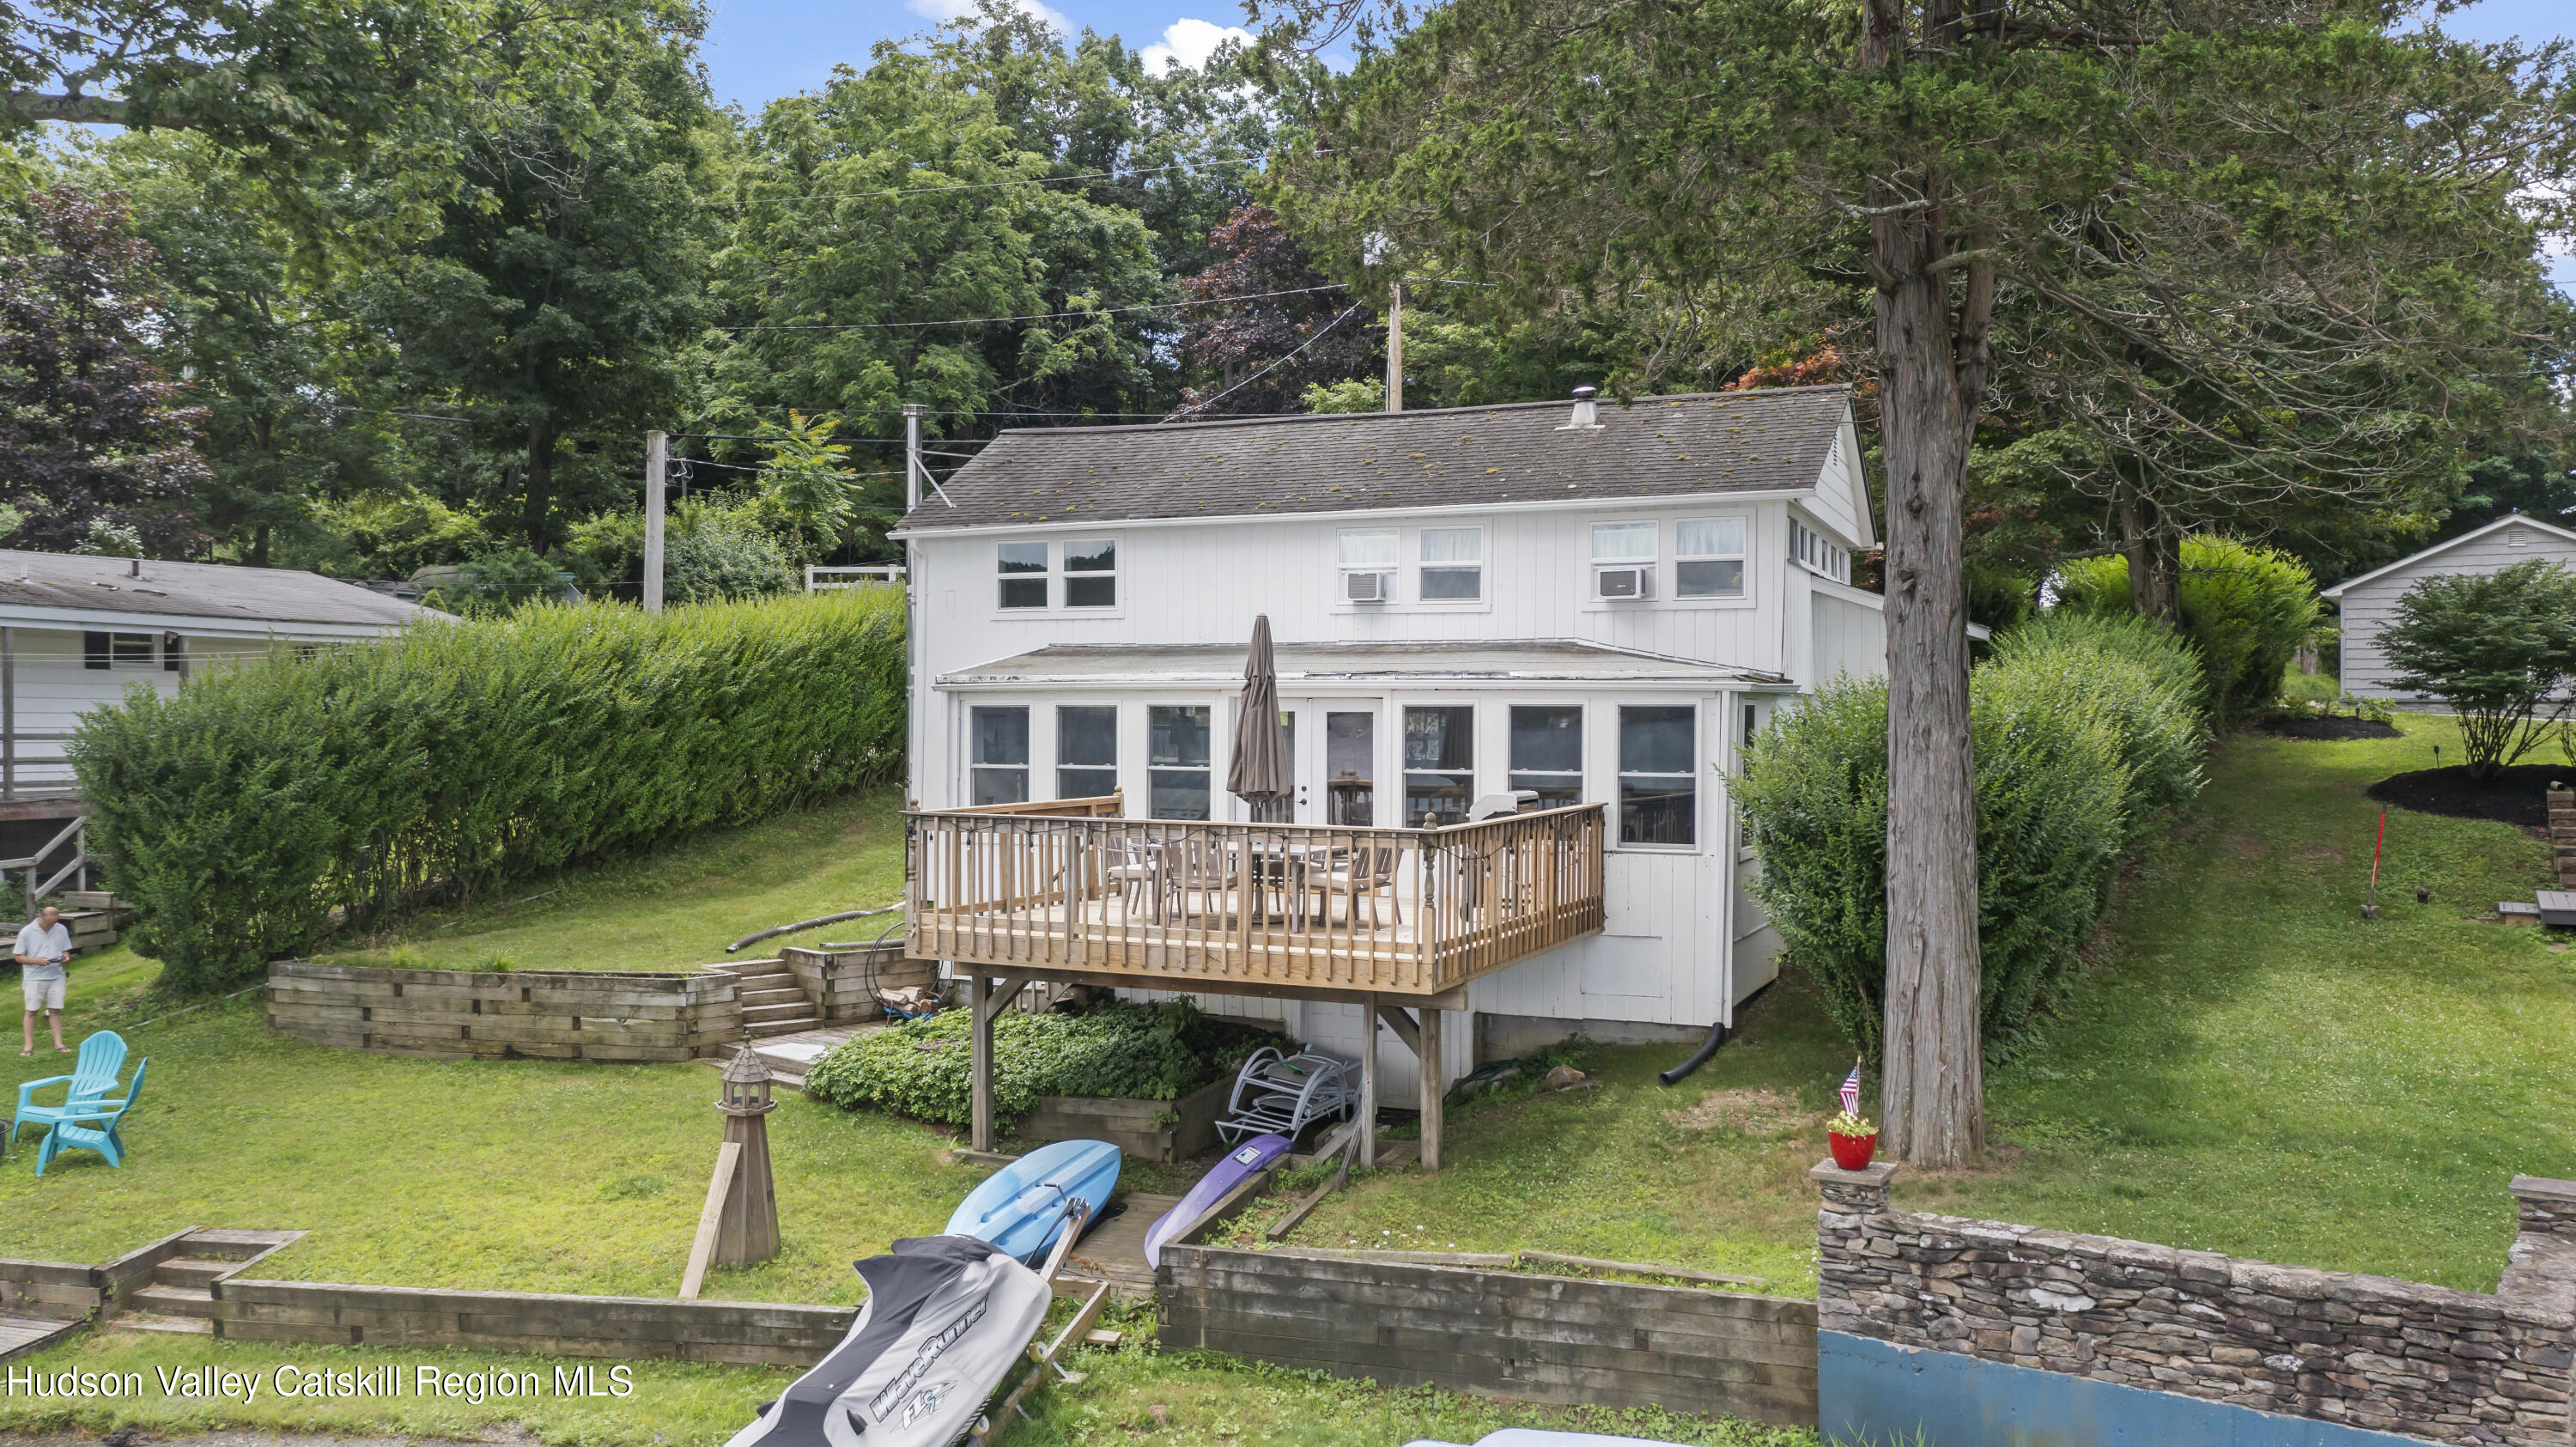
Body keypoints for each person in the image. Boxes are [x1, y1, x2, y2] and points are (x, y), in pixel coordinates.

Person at [15, 904, 71, 1057]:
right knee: (32, 1011)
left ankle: (59, 1044)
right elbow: (18, 956)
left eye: (55, 921)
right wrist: (36, 961)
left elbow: (65, 949)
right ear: (42, 917)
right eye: (49, 922)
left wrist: (66, 957)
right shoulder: (27, 932)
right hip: (35, 976)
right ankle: (28, 1046)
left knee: (55, 1010)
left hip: (56, 975)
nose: (52, 924)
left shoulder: (61, 929)